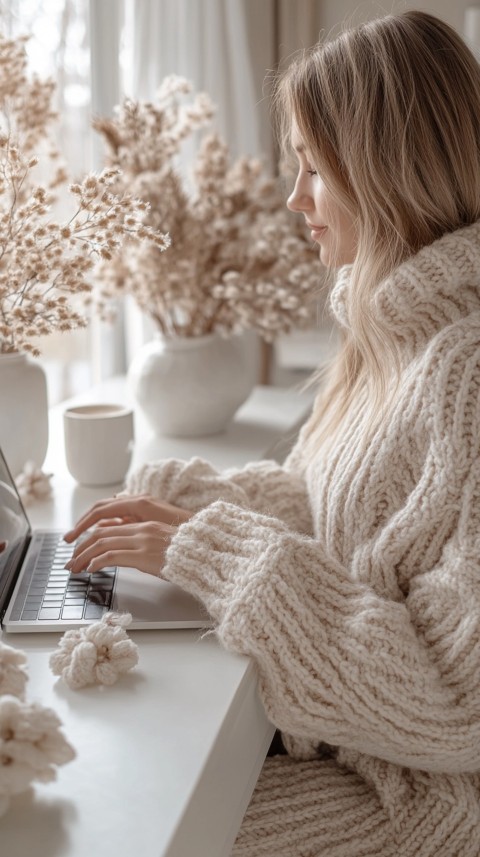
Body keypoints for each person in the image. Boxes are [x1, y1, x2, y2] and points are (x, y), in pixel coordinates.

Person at [64, 10, 480, 855]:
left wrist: (218, 550)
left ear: (386, 172)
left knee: (116, 822)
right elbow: (342, 518)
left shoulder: (466, 369)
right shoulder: (393, 328)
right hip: (353, 753)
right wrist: (183, 507)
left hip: (418, 798)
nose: (295, 198)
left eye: (312, 167)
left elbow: (454, 701)